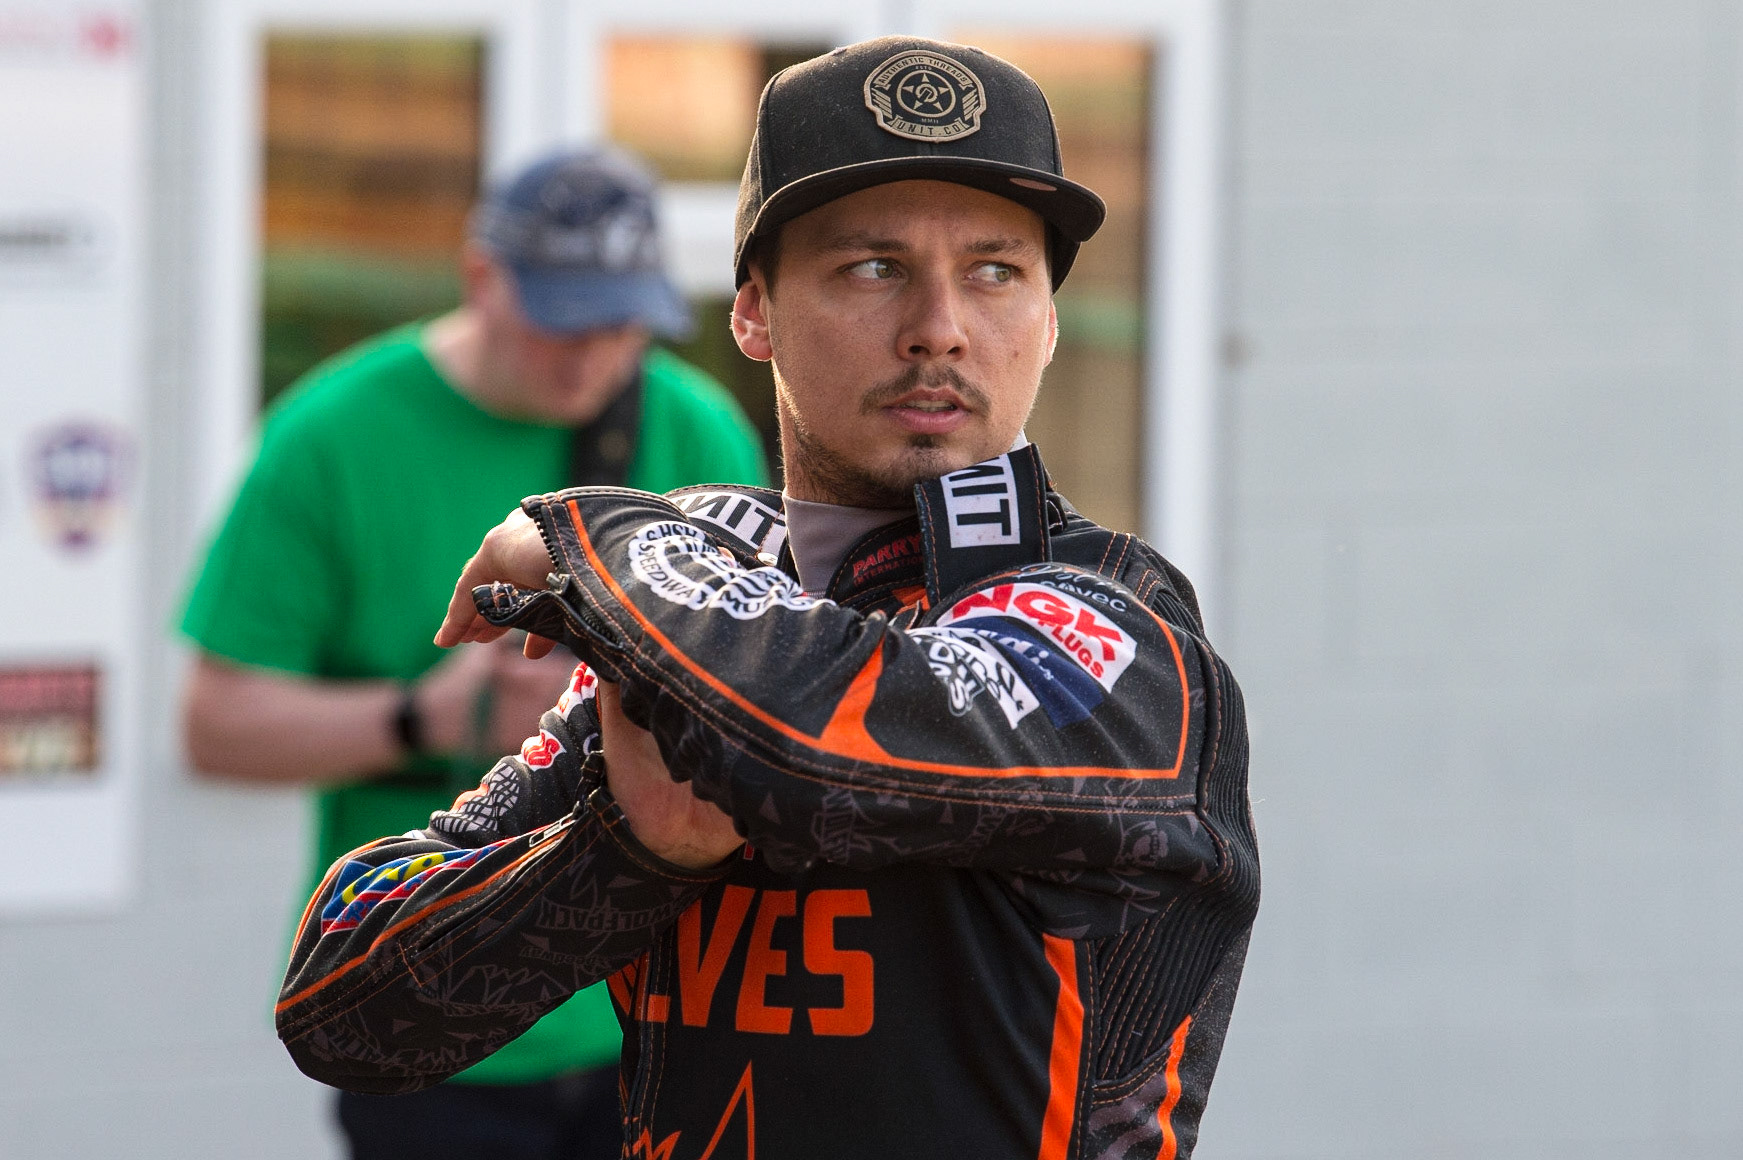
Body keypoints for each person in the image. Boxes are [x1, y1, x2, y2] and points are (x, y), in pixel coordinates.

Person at [275, 38, 1258, 1160]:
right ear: (753, 313)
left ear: (1042, 318)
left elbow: (812, 737)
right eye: (873, 267)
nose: (941, 323)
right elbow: (336, 1002)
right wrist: (629, 852)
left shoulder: (1118, 620)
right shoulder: (694, 614)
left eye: (995, 270)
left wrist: (593, 535)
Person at [180, 146, 769, 1160]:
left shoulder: (695, 425)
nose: (593, 359)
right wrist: (423, 718)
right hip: (436, 1009)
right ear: (481, 278)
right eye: (564, 321)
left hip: (666, 1003)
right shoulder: (330, 437)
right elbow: (213, 725)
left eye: (623, 325)